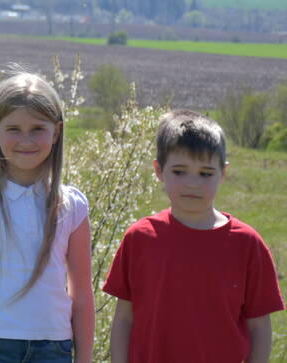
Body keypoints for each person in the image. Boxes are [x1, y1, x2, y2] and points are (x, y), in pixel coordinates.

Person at [103, 109, 284, 363]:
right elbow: (124, 319)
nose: (192, 183)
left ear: (224, 172)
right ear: (159, 170)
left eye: (205, 174)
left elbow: (260, 327)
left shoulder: (247, 244)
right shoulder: (140, 238)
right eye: (179, 171)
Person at [0, 73, 94, 363]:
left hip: (54, 348)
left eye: (38, 128)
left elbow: (83, 296)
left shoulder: (72, 205)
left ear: (57, 132)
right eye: (14, 128)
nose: (26, 139)